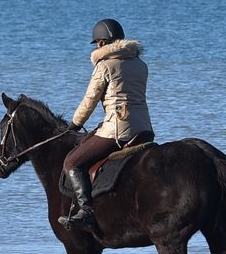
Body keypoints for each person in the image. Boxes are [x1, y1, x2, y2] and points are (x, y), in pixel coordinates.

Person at [57, 17, 154, 229]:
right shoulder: (140, 64)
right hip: (144, 127)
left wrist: (75, 123)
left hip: (117, 130)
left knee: (72, 162)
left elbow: (90, 100)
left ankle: (86, 211)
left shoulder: (104, 66)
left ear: (101, 43)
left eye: (98, 43)